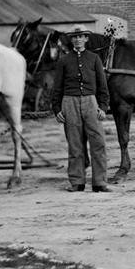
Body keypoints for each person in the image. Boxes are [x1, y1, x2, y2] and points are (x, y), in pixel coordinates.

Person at [51, 27, 112, 192]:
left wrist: (103, 107)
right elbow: (57, 88)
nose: (77, 40)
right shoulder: (64, 60)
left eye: (81, 37)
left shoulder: (94, 59)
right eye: (74, 37)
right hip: (69, 103)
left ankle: (100, 182)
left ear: (86, 39)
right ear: (71, 40)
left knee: (98, 142)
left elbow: (102, 86)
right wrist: (57, 109)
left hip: (91, 103)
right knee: (75, 144)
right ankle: (77, 182)